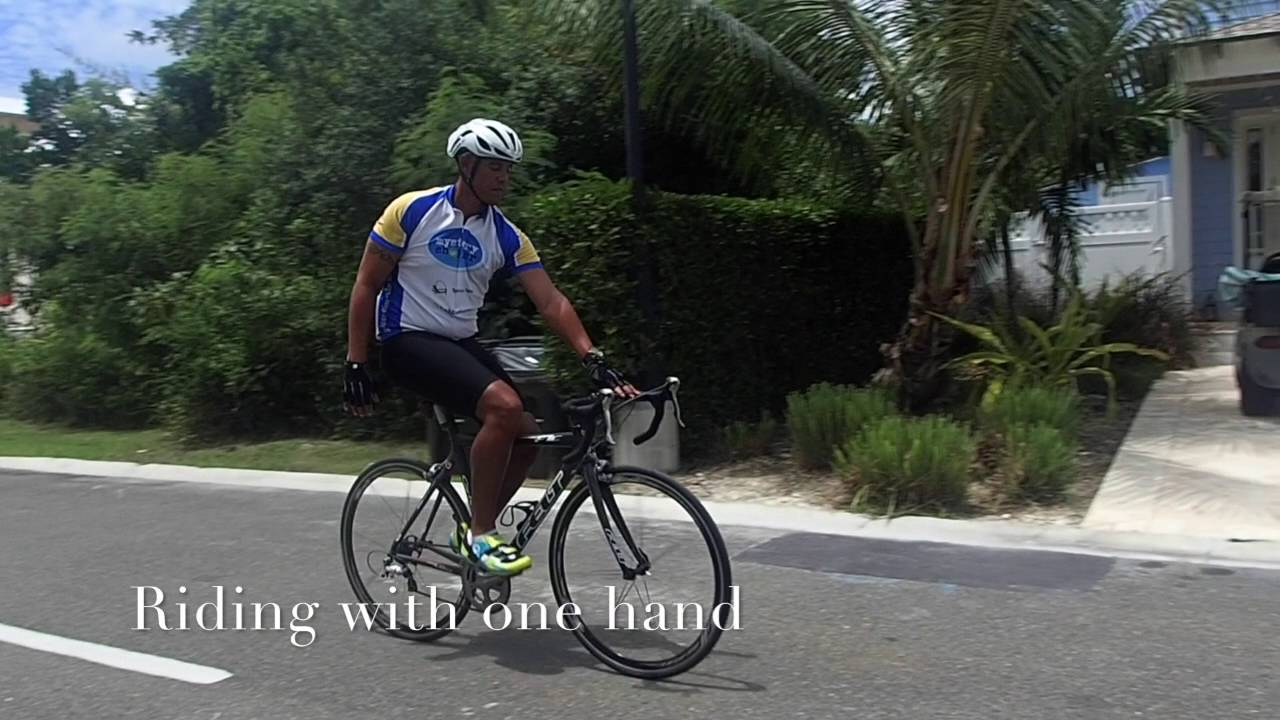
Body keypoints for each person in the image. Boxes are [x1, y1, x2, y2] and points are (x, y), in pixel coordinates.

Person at [342, 118, 638, 576]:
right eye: (496, 167)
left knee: (526, 433)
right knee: (504, 406)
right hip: (407, 339)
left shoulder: (507, 236)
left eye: (509, 169)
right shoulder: (411, 211)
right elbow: (366, 284)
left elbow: (551, 301)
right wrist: (356, 361)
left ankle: (472, 529)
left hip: (459, 342)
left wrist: (592, 356)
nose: (505, 178)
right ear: (467, 165)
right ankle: (481, 535)